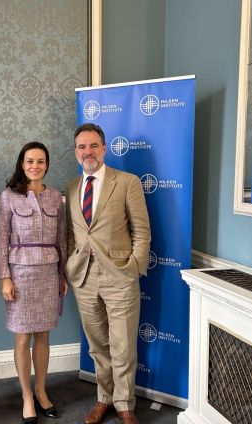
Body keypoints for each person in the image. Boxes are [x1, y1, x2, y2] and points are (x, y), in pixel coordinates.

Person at [65, 123, 151, 424]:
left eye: (93, 146)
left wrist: (134, 267)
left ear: (104, 148)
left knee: (123, 344)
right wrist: (69, 265)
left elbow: (141, 230)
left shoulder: (126, 182)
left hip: (120, 277)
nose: (87, 152)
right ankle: (104, 398)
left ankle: (125, 403)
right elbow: (70, 233)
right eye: (81, 147)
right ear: (76, 152)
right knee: (98, 345)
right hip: (84, 279)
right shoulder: (72, 186)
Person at [0, 142, 68, 424]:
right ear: (22, 164)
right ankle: (26, 395)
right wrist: (5, 277)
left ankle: (41, 390)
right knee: (22, 336)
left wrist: (62, 275)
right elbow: (1, 241)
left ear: (47, 165)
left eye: (40, 161)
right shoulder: (9, 197)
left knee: (44, 336)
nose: (35, 166)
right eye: (29, 161)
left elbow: (61, 239)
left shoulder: (54, 198)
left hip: (49, 272)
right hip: (20, 274)